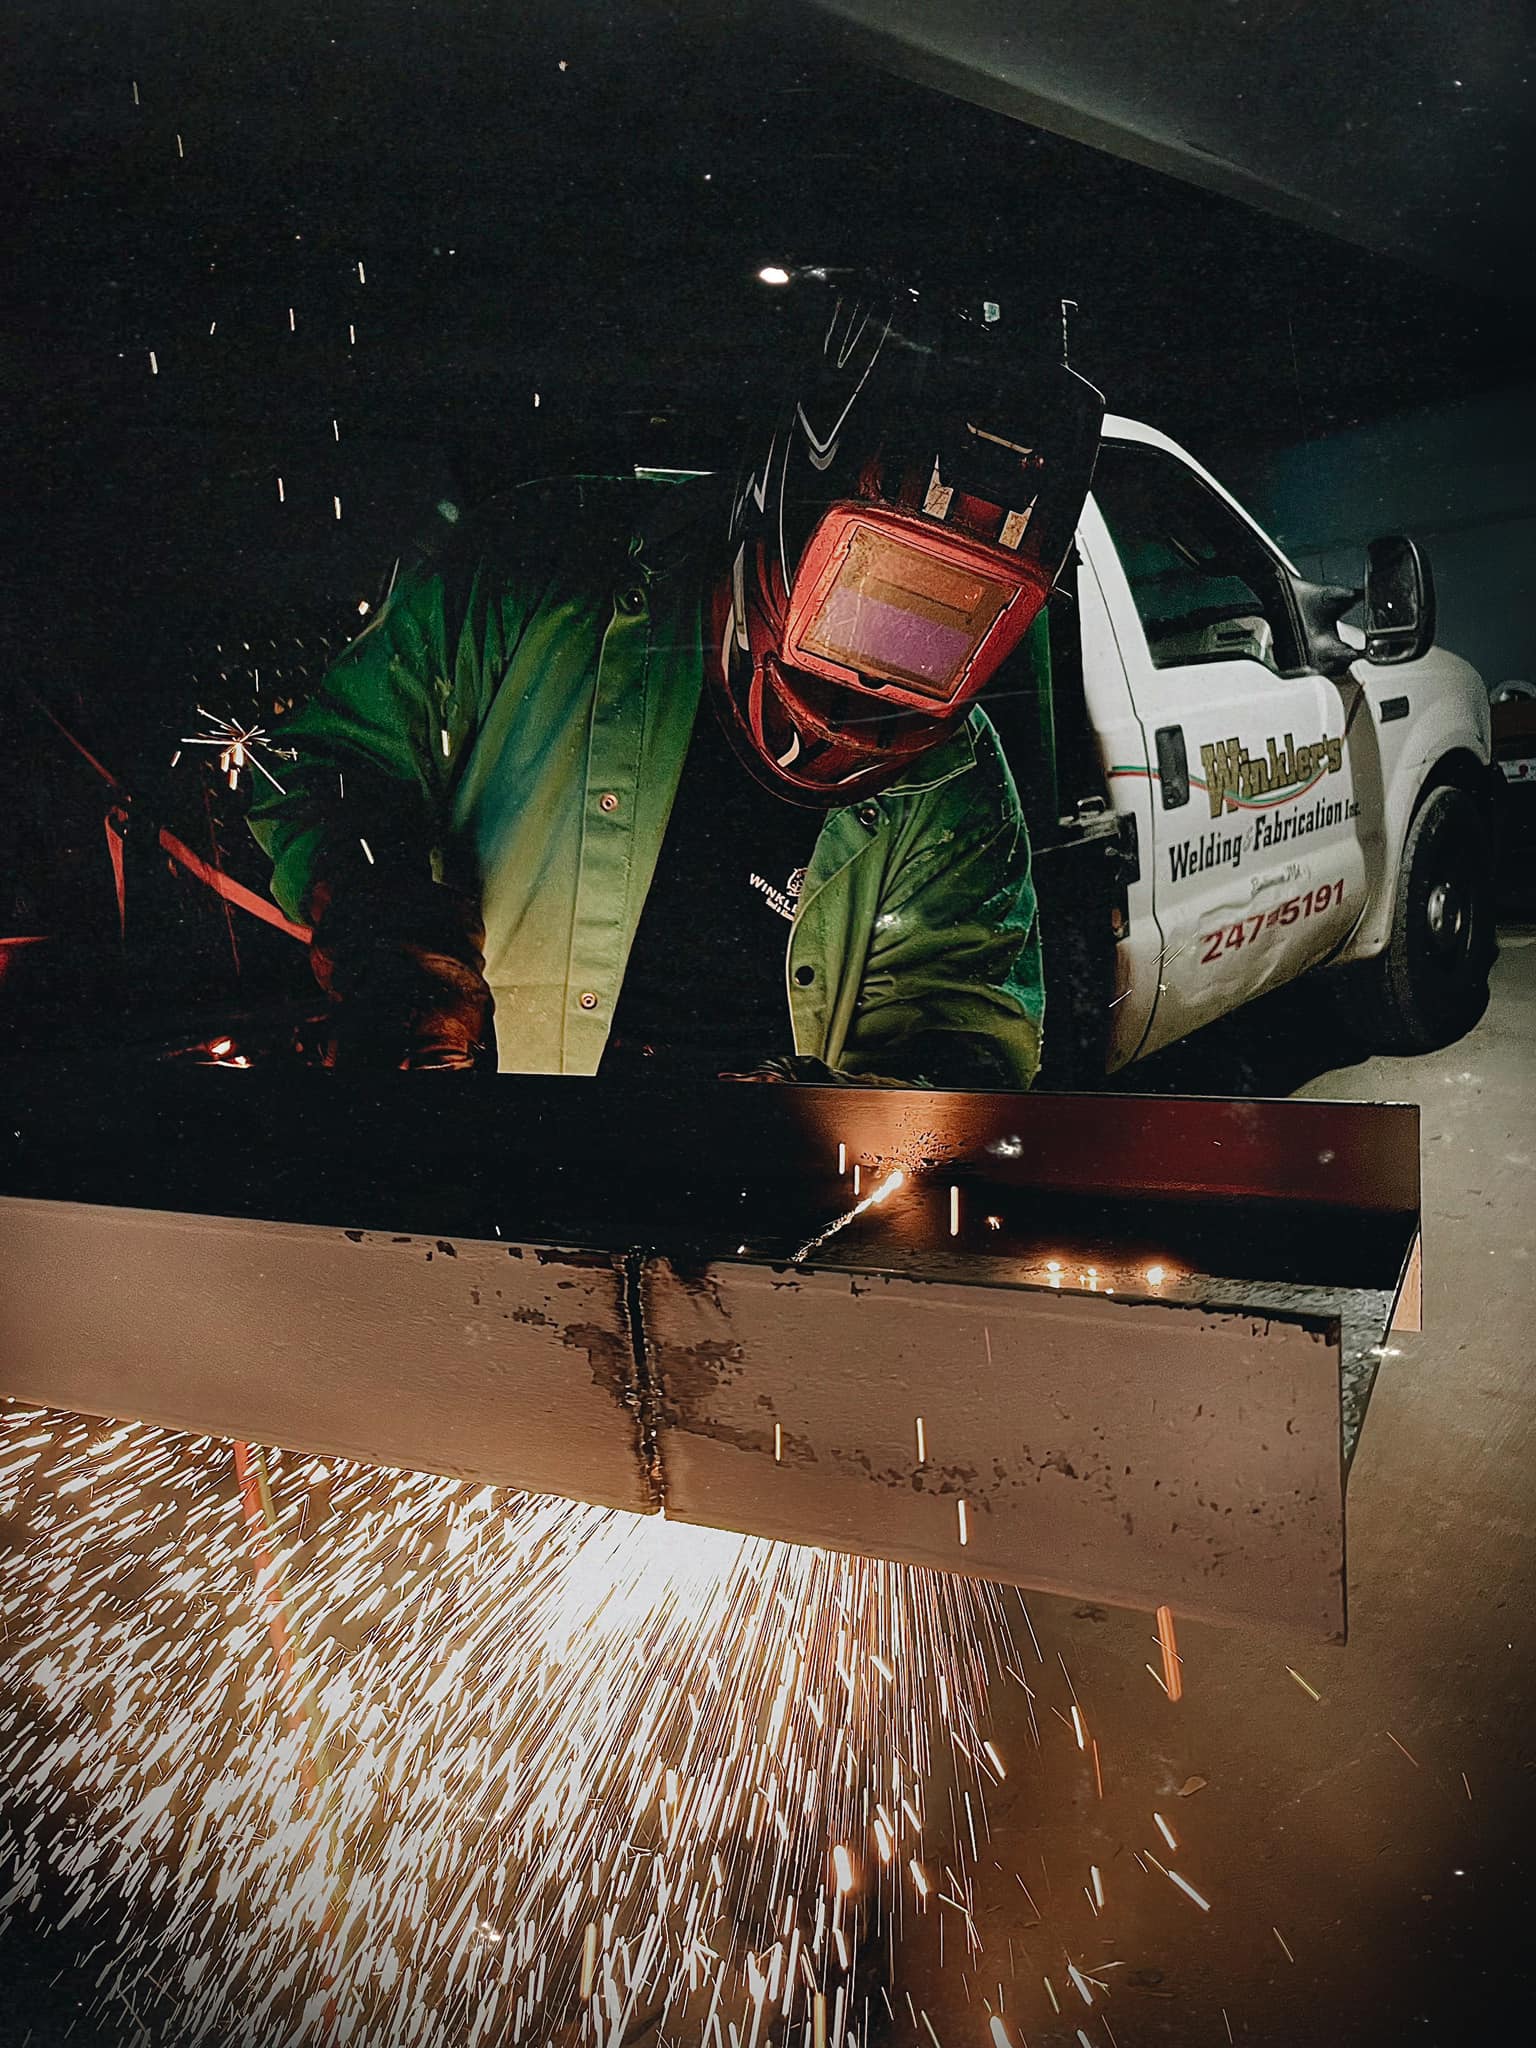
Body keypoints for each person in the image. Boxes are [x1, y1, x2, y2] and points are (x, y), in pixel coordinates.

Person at [249, 283, 1102, 1087]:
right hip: (503, 1150)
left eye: (952, 617)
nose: (868, 680)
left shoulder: (952, 781)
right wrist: (393, 934)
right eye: (876, 589)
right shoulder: (537, 565)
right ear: (794, 503)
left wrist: (846, 1115)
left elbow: (961, 1022)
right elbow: (332, 764)